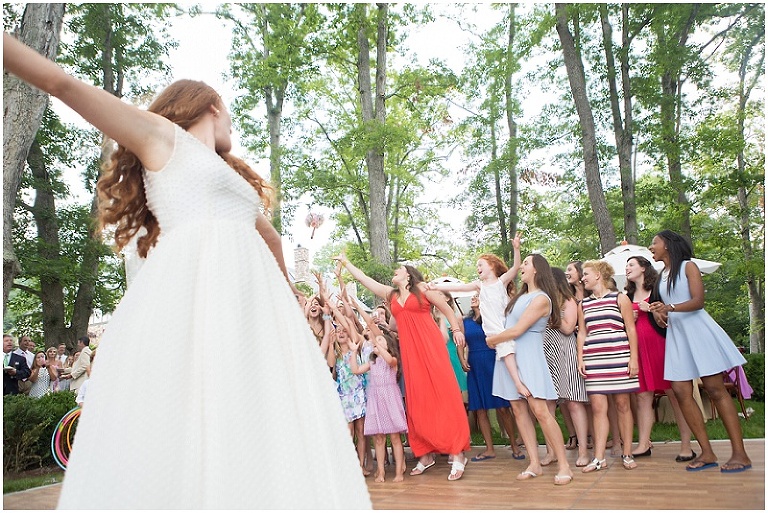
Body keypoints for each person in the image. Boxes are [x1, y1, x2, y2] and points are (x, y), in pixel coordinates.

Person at [3, 33, 371, 509]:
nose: (233, 124)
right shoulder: (161, 138)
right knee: (195, 411)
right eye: (231, 111)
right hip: (193, 298)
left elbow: (273, 238)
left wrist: (293, 308)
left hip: (254, 309)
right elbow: (61, 83)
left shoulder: (229, 176)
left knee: (259, 414)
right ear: (212, 105)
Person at [337, 256, 470, 481]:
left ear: (408, 274)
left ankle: (458, 453)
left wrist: (456, 330)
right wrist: (347, 263)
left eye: (398, 269)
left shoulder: (421, 289)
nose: (394, 272)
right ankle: (425, 453)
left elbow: (447, 309)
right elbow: (367, 280)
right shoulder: (392, 295)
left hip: (430, 347)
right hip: (409, 352)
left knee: (444, 395)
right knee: (418, 400)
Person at [648, 230, 751, 473]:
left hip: (698, 331)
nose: (651, 247)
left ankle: (740, 453)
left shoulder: (688, 267)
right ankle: (706, 452)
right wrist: (660, 314)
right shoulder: (662, 275)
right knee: (680, 390)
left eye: (654, 243)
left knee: (715, 389)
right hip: (677, 335)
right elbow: (667, 310)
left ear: (668, 244)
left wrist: (669, 307)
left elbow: (698, 301)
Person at [486, 254, 574, 486]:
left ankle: (564, 465)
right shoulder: (520, 297)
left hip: (529, 356)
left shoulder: (542, 299)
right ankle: (534, 463)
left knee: (541, 411)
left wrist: (493, 339)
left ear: (537, 270)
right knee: (518, 409)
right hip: (511, 357)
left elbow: (518, 330)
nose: (521, 267)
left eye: (525, 263)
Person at [625, 255, 694, 461]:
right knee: (643, 397)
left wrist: (653, 312)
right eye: (626, 266)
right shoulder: (627, 297)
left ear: (644, 268)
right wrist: (630, 317)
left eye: (631, 265)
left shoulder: (658, 291)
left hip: (661, 346)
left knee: (675, 394)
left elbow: (669, 320)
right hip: (638, 350)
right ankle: (644, 444)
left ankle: (686, 445)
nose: (627, 269)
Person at [577, 261, 639, 473]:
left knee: (623, 405)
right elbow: (583, 333)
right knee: (598, 408)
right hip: (594, 360)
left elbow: (631, 329)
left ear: (598, 274)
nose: (582, 278)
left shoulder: (620, 298)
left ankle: (627, 452)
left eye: (585, 274)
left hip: (619, 357)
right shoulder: (583, 304)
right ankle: (599, 458)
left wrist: (634, 359)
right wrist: (580, 358)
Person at [349, 307, 408, 483]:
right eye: (376, 340)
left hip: (390, 397)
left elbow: (389, 359)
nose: (377, 342)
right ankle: (381, 471)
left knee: (395, 437)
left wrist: (376, 342)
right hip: (375, 399)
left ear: (388, 344)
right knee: (379, 438)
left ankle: (399, 472)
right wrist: (353, 351)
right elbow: (356, 370)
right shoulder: (372, 362)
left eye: (381, 340)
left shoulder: (393, 360)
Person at [463, 295, 524, 462]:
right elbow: (460, 342)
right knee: (480, 408)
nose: (474, 298)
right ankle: (489, 448)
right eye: (473, 296)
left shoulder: (493, 317)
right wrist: (462, 359)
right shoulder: (465, 321)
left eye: (478, 295)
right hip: (474, 364)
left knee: (502, 406)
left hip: (493, 361)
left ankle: (514, 444)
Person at [544, 268, 590, 467]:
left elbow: (569, 328)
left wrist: (552, 311)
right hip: (546, 353)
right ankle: (551, 451)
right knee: (547, 405)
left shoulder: (569, 300)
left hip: (565, 351)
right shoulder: (541, 301)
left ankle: (583, 451)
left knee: (573, 402)